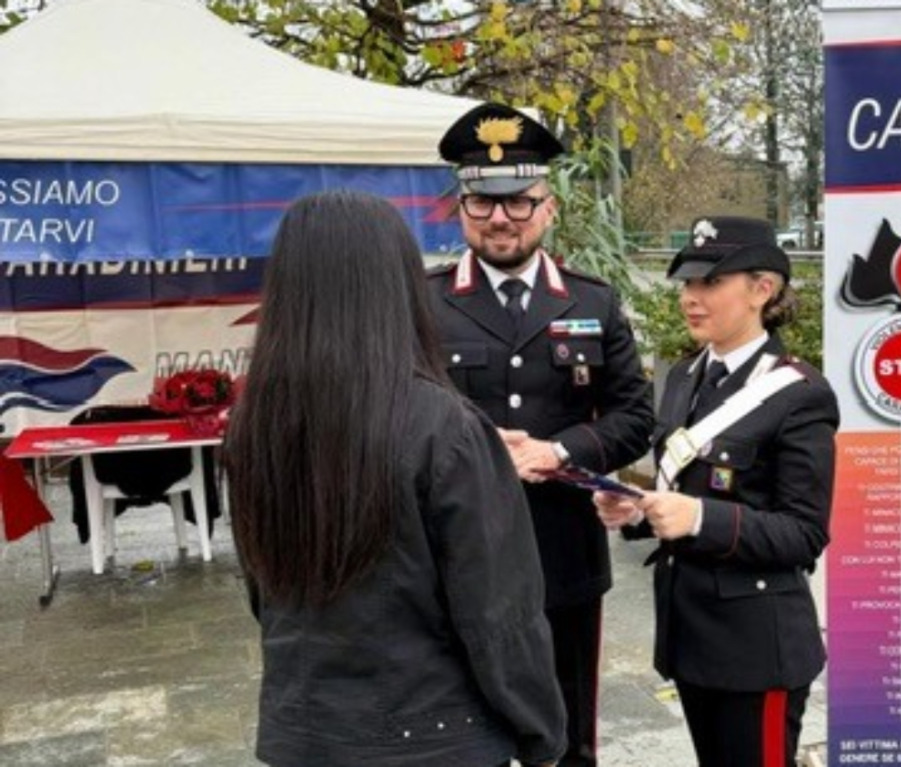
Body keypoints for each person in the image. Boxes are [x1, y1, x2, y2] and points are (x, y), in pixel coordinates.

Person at [224, 189, 565, 767]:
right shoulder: (444, 427)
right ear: (397, 285)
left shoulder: (254, 423)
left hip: (304, 728)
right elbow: (498, 618)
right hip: (431, 734)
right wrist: (543, 735)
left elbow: (264, 588)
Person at [426, 101, 654, 767]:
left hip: (564, 549)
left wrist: (557, 451)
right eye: (481, 202)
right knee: (468, 729)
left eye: (519, 201)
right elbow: (398, 415)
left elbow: (635, 416)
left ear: (548, 206)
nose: (500, 217)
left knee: (568, 732)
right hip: (460, 553)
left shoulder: (592, 301)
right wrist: (477, 450)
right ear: (460, 208)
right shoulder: (422, 301)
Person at [595, 215, 839, 767]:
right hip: (692, 638)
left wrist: (699, 518)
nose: (690, 297)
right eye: (687, 283)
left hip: (757, 648)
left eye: (710, 283)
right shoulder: (685, 376)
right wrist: (634, 510)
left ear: (762, 290)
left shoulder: (800, 394)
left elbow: (804, 533)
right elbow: (683, 486)